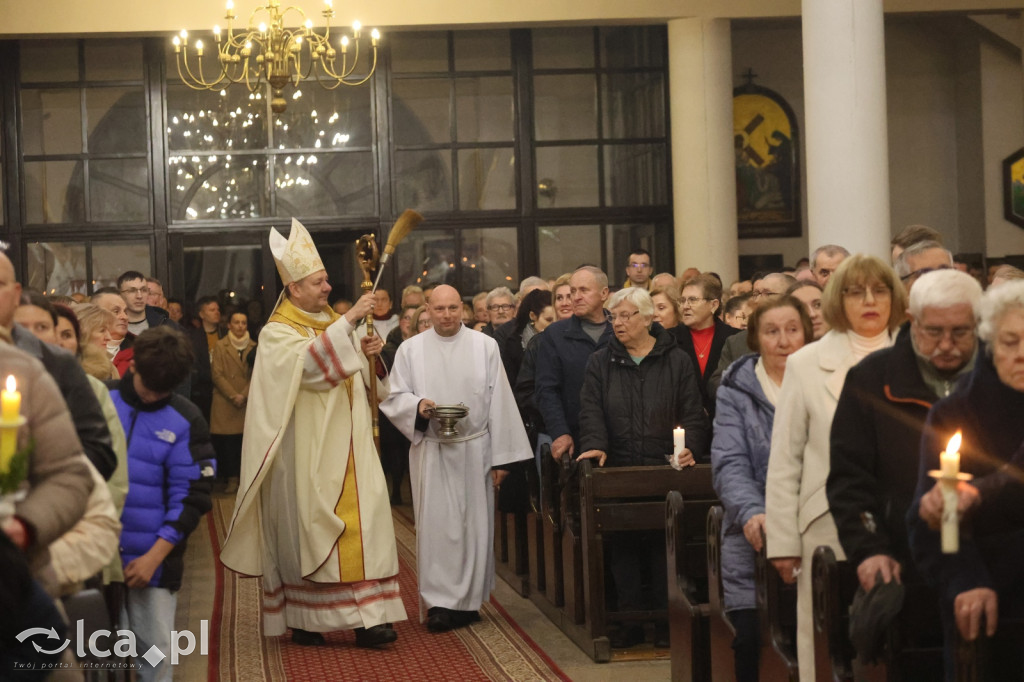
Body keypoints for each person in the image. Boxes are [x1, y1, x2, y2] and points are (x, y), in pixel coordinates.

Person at [220, 218, 406, 649]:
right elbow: (306, 369)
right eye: (318, 282)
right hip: (306, 453)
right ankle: (305, 617)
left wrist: (372, 356)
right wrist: (350, 324)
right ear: (293, 289)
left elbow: (370, 384)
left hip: (353, 446)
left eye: (326, 282)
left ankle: (369, 618)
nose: (327, 288)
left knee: (369, 522)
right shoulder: (276, 333)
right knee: (307, 530)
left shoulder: (332, 323)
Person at [826, 270, 981, 673]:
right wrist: (869, 547)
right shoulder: (872, 379)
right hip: (905, 558)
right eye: (933, 332)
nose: (946, 345)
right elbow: (850, 477)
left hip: (991, 560)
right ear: (911, 321)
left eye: (961, 332)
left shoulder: (1001, 377)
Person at [765, 254, 908, 682]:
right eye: (855, 291)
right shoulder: (808, 363)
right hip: (826, 521)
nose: (869, 300)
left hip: (902, 520)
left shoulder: (914, 356)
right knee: (830, 640)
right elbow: (785, 458)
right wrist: (784, 541)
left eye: (880, 290)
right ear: (836, 300)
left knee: (898, 636)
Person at [380, 285, 532, 632]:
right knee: (436, 529)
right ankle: (439, 604)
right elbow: (394, 397)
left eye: (452, 309)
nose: (446, 316)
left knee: (473, 527)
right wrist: (416, 406)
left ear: (462, 310)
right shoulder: (410, 350)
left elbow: (501, 402)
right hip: (432, 450)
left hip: (475, 447)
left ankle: (468, 602)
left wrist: (502, 459)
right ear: (427, 311)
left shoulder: (484, 346)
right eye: (439, 309)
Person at [576, 287, 709, 648]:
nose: (617, 323)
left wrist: (691, 448)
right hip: (618, 470)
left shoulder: (677, 360)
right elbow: (591, 412)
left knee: (665, 549)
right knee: (624, 548)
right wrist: (595, 445)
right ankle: (632, 621)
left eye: (625, 315)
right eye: (613, 316)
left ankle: (667, 623)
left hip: (665, 468)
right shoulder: (601, 362)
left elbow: (692, 413)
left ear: (649, 318)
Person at [907, 280, 1024, 678]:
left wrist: (978, 493)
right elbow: (926, 521)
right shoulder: (954, 412)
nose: (1022, 354)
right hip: (991, 597)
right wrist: (965, 580)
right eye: (1010, 341)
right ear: (990, 343)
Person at [712, 295, 813, 681]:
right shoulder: (736, 387)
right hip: (750, 532)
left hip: (813, 524)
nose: (784, 341)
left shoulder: (824, 378)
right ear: (755, 337)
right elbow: (729, 461)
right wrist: (753, 511)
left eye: (792, 330)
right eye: (772, 331)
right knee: (751, 638)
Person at [111, 326, 214, 681]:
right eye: (149, 387)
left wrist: (154, 557)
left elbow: (193, 496)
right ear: (133, 366)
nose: (154, 397)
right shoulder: (102, 401)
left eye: (164, 391)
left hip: (153, 561)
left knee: (153, 662)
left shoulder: (186, 418)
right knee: (92, 659)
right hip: (97, 558)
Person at [0, 274, 118, 481]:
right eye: (21, 328)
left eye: (41, 327)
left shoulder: (69, 372)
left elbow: (100, 452)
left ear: (55, 333)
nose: (32, 337)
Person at [535, 265, 612, 461]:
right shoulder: (556, 334)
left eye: (584, 290)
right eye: (573, 291)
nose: (575, 297)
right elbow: (547, 389)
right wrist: (560, 432)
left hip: (618, 438)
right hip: (574, 438)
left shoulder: (619, 330)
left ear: (604, 293)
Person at [671, 273, 740, 417]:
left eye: (692, 300)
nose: (685, 306)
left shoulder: (735, 338)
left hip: (725, 420)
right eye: (682, 300)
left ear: (713, 305)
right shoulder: (669, 339)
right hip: (683, 423)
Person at [210, 310, 256, 495]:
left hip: (246, 401)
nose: (240, 326)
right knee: (227, 444)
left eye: (243, 322)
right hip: (225, 401)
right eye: (236, 322)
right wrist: (233, 395)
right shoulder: (221, 346)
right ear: (229, 325)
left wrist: (243, 395)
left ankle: (245, 480)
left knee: (244, 443)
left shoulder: (255, 346)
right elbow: (217, 374)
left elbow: (257, 374)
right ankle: (231, 479)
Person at [493, 288, 556, 389]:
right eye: (548, 320)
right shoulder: (514, 344)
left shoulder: (559, 340)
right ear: (533, 316)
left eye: (556, 320)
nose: (553, 325)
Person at [186, 296, 224, 422]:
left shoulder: (226, 334)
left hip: (225, 391)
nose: (217, 312)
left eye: (217, 309)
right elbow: (194, 365)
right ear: (202, 314)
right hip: (203, 392)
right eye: (212, 310)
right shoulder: (192, 337)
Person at [117, 271, 173, 336]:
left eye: (144, 290)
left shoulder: (168, 327)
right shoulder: (109, 330)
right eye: (132, 291)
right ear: (119, 295)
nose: (139, 296)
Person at [92, 288, 134, 375]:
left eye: (125, 312)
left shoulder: (142, 351)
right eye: (116, 311)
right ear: (96, 314)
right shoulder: (80, 350)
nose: (125, 317)